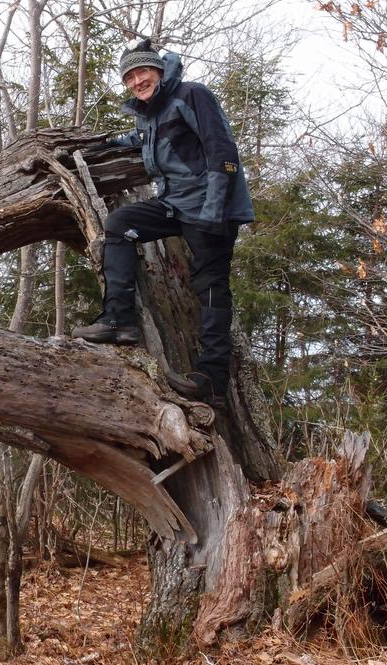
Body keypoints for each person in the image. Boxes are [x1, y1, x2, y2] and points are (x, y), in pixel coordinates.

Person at [72, 39, 254, 407]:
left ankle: (212, 380)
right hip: (174, 205)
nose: (138, 80)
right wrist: (95, 146)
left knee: (210, 286)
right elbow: (140, 139)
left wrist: (215, 212)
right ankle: (118, 321)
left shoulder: (192, 95)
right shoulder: (148, 112)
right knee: (120, 224)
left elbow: (223, 153)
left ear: (158, 69)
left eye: (143, 71)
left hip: (208, 208)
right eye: (130, 77)